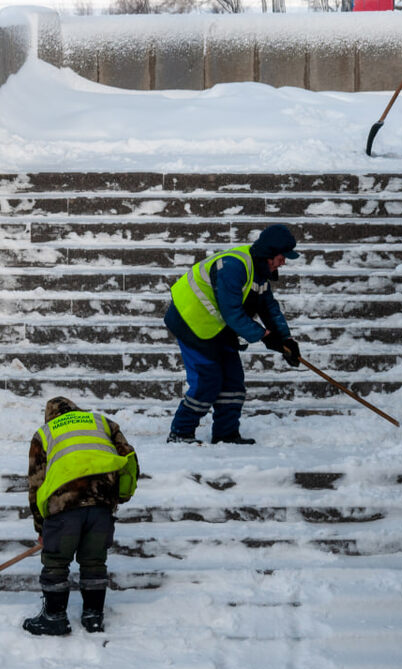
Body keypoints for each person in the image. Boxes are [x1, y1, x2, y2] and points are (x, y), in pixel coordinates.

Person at [164, 223, 302, 445]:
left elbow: (268, 307)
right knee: (208, 381)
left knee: (233, 381)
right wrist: (265, 336)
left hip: (219, 328)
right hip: (192, 322)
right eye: (282, 256)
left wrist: (286, 339)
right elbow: (232, 312)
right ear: (269, 254)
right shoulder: (233, 266)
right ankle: (180, 432)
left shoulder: (259, 271)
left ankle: (225, 434)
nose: (284, 261)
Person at [24, 396, 139, 635]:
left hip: (64, 503)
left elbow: (36, 484)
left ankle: (54, 617)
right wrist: (120, 496)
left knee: (56, 561)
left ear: (50, 416)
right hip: (102, 502)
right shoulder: (102, 423)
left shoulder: (45, 433)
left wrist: (41, 528)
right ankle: (93, 617)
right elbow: (129, 458)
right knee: (94, 561)